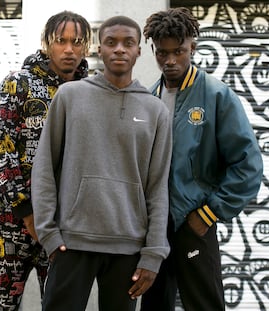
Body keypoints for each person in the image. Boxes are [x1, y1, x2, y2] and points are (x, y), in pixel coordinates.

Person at [31, 15, 172, 311]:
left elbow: (158, 187)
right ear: (98, 49)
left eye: (128, 43)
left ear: (138, 51)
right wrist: (49, 234)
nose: (119, 49)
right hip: (72, 244)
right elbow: (44, 168)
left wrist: (153, 253)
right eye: (111, 42)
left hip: (128, 248)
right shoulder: (70, 97)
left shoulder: (155, 110)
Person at [141, 7, 264, 311]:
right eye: (162, 53)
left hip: (193, 223)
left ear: (192, 48)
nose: (170, 60)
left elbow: (247, 164)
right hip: (155, 227)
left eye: (179, 51)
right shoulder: (149, 97)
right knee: (154, 305)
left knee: (204, 305)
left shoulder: (215, 94)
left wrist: (209, 213)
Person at [0, 11, 91, 311]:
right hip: (13, 224)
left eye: (77, 41)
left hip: (63, 226)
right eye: (61, 41)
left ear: (87, 46)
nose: (69, 49)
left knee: (61, 305)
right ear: (46, 43)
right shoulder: (18, 84)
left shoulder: (91, 93)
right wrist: (26, 211)